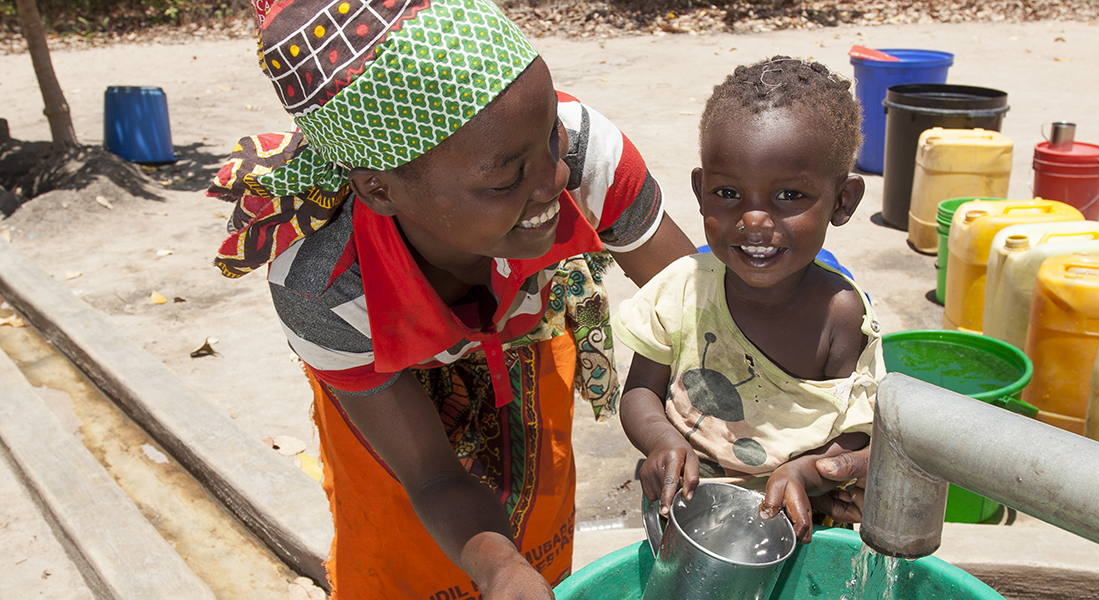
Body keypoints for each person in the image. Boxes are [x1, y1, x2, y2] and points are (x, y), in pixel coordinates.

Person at [205, 0, 700, 597]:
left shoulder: (585, 151)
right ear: (380, 189)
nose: (554, 179)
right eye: (504, 179)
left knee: (540, 529)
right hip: (386, 382)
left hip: (524, 334)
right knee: (404, 554)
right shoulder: (323, 288)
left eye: (550, 134)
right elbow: (430, 476)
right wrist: (502, 570)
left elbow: (705, 319)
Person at [613, 56, 882, 544]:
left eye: (790, 195)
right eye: (729, 192)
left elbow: (859, 431)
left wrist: (810, 473)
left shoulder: (841, 316)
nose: (754, 221)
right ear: (700, 192)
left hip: (805, 519)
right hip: (688, 510)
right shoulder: (683, 289)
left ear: (843, 201)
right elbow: (639, 394)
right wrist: (663, 442)